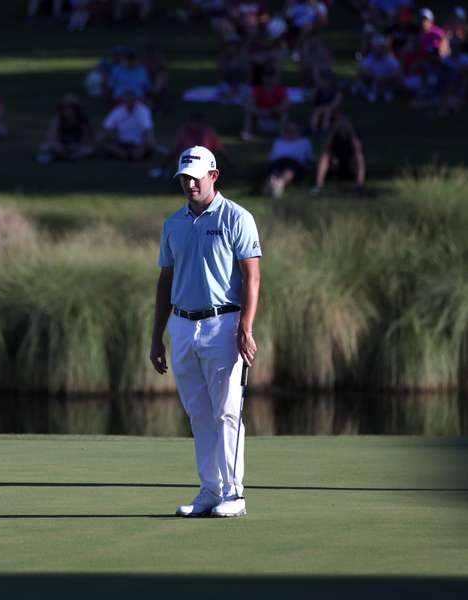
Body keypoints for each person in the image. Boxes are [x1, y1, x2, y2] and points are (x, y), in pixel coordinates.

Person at [149, 145, 261, 518]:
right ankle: (210, 491)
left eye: (195, 177)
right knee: (198, 413)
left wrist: (245, 327)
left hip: (222, 323)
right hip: (182, 325)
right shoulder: (173, 224)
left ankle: (235, 493)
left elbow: (252, 276)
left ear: (213, 175)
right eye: (184, 178)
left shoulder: (236, 217)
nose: (189, 184)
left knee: (227, 411)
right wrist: (156, 337)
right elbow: (165, 282)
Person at [149, 112, 231, 178]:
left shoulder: (209, 132)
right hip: (187, 160)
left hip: (205, 162)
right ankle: (165, 171)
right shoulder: (184, 131)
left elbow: (220, 151)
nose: (197, 125)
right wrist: (163, 167)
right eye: (194, 122)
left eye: (199, 123)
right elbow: (176, 151)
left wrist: (231, 166)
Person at [311, 111, 366, 194]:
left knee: (359, 157)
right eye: (338, 120)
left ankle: (359, 185)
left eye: (343, 120)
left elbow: (358, 154)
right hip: (335, 167)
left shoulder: (353, 136)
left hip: (349, 166)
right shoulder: (331, 136)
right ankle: (319, 184)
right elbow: (325, 151)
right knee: (324, 157)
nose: (341, 123)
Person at [98, 90, 155, 161]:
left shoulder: (143, 110)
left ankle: (130, 155)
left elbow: (147, 131)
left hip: (139, 144)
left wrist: (143, 147)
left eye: (131, 100)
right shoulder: (118, 111)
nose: (129, 103)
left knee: (147, 144)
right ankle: (125, 154)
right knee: (106, 144)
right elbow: (105, 128)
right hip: (122, 144)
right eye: (127, 100)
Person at [37, 93, 95, 162]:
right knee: (45, 146)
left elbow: (88, 138)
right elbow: (50, 135)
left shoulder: (82, 119)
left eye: (70, 107)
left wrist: (77, 146)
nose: (67, 110)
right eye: (65, 108)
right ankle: (66, 156)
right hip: (62, 145)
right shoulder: (58, 118)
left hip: (77, 146)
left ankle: (62, 156)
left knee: (88, 150)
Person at [264, 122, 313, 198]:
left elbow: (309, 157)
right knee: (276, 166)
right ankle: (274, 182)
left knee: (290, 167)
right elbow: (272, 157)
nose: (290, 133)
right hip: (279, 161)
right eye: (288, 130)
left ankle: (279, 183)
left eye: (292, 131)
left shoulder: (304, 141)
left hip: (296, 163)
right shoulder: (278, 141)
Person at [241, 68, 289, 140]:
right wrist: (260, 111)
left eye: (271, 77)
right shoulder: (258, 89)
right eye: (267, 77)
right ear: (263, 78)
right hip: (260, 114)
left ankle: (281, 133)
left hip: (274, 114)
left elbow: (286, 104)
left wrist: (272, 111)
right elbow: (249, 104)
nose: (269, 79)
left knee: (284, 113)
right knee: (249, 113)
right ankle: (246, 133)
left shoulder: (280, 89)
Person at [357, 34, 403, 102]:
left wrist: (383, 79)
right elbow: (362, 69)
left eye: (380, 47)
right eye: (376, 47)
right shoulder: (370, 58)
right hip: (373, 81)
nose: (378, 49)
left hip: (386, 82)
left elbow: (397, 71)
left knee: (397, 76)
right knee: (362, 74)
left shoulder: (390, 59)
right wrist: (375, 78)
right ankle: (372, 90)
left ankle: (387, 91)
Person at [309, 68, 342, 133]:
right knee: (317, 111)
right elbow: (312, 101)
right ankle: (313, 130)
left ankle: (324, 130)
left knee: (327, 111)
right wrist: (314, 93)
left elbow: (335, 105)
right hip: (319, 109)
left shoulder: (336, 92)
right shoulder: (318, 90)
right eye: (325, 80)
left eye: (329, 80)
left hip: (332, 110)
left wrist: (325, 108)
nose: (327, 82)